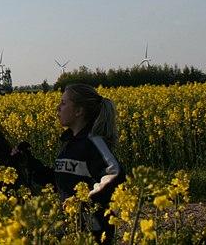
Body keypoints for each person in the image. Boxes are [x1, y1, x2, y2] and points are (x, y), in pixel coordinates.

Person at [13, 84, 125, 244]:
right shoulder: (69, 144)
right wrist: (28, 161)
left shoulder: (93, 142)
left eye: (63, 103)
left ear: (79, 111)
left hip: (94, 230)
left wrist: (84, 200)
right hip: (72, 228)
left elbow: (116, 174)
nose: (58, 108)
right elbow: (60, 180)